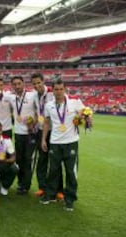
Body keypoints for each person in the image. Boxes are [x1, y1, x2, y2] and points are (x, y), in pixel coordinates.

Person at [40, 78, 87, 211]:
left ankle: (70, 198)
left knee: (71, 172)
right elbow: (47, 123)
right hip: (55, 142)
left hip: (71, 142)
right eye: (56, 89)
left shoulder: (74, 101)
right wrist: (43, 139)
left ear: (65, 89)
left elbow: (85, 114)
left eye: (61, 89)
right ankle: (50, 195)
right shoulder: (49, 105)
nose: (59, 92)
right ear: (52, 90)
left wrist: (83, 118)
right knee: (53, 170)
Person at [31, 73, 63, 200]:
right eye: (34, 83)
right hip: (40, 131)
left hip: (54, 132)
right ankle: (42, 187)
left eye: (39, 82)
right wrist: (33, 123)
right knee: (42, 160)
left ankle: (59, 189)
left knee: (55, 161)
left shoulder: (52, 93)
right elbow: (37, 112)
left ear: (43, 81)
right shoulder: (34, 96)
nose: (37, 85)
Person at [9, 76, 37, 195]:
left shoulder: (32, 96)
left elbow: (39, 112)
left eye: (19, 84)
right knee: (19, 160)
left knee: (27, 159)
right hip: (18, 133)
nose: (17, 86)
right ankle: (21, 183)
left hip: (30, 133)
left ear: (23, 84)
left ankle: (26, 185)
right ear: (12, 86)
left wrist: (34, 122)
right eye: (14, 84)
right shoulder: (11, 97)